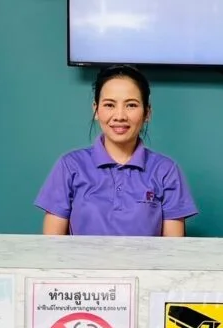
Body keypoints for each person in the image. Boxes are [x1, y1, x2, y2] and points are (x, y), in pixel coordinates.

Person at [34, 64, 198, 236]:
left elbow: (173, 248)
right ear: (96, 109)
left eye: (131, 105)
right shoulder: (69, 166)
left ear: (147, 112)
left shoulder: (166, 171)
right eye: (109, 105)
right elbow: (52, 246)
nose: (119, 116)